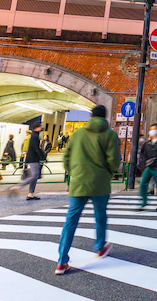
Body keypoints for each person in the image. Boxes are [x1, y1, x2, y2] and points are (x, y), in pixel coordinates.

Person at [55, 105, 120, 274]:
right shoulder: (110, 135)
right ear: (105, 117)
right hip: (100, 183)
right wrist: (107, 171)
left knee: (71, 220)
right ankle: (99, 247)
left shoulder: (78, 134)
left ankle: (62, 261)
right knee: (100, 216)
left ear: (91, 116)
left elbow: (66, 157)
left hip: (79, 182)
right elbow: (114, 160)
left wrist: (73, 171)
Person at [11, 122, 45, 200]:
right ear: (36, 127)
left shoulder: (34, 135)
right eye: (40, 126)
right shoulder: (35, 136)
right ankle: (19, 186)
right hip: (33, 159)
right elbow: (37, 148)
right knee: (34, 176)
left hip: (32, 158)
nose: (42, 127)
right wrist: (43, 157)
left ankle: (30, 194)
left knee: (34, 177)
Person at [138, 124, 157, 211]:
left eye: (154, 129)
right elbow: (143, 155)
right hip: (149, 167)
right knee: (143, 183)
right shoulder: (147, 143)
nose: (152, 131)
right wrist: (143, 166)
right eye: (151, 129)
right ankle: (143, 201)